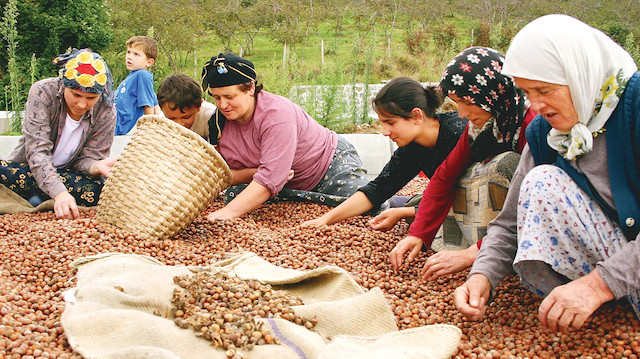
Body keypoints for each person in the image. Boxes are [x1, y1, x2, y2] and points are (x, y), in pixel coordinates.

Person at [453, 14, 640, 333]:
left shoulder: (634, 109)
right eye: (527, 93)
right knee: (541, 182)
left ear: (581, 75)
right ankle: (614, 305)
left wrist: (598, 286)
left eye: (544, 90)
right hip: (617, 267)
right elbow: (509, 222)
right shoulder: (546, 134)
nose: (535, 106)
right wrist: (482, 275)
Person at [387, 47, 537, 279]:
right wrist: (416, 233)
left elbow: (536, 204)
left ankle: (500, 253)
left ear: (492, 93)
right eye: (457, 102)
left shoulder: (532, 126)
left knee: (506, 164)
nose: (462, 113)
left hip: (528, 223)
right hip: (498, 229)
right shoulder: (481, 128)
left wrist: (473, 254)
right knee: (464, 175)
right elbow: (444, 176)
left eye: (468, 102)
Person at [200, 53, 369, 220]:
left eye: (229, 97)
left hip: (328, 167)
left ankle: (313, 199)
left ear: (250, 88)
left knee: (367, 206)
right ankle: (305, 200)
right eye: (217, 98)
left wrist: (229, 212)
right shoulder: (218, 123)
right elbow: (222, 174)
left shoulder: (276, 115)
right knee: (232, 195)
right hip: (285, 187)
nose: (223, 105)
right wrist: (255, 172)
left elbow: (270, 178)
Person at [301, 77, 467, 227]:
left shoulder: (458, 134)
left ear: (417, 115)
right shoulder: (412, 147)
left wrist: (404, 213)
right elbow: (377, 190)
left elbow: (466, 199)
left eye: (390, 123)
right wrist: (325, 220)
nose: (385, 132)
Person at [0, 48, 117, 219]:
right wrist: (59, 192)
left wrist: (96, 166)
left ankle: (37, 197)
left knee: (101, 189)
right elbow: (37, 151)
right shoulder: (42, 92)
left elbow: (87, 159)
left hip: (70, 176)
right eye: (76, 95)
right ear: (63, 85)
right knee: (5, 170)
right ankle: (47, 196)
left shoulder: (106, 111)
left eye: (91, 98)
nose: (82, 104)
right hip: (30, 170)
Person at [114, 36, 161, 135]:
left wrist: (150, 131)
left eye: (136, 54)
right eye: (128, 52)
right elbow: (155, 104)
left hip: (116, 125)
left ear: (149, 62)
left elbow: (148, 106)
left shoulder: (142, 75)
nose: (129, 57)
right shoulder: (133, 76)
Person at [157, 73, 218, 143]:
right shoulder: (160, 122)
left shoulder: (211, 117)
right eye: (171, 118)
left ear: (199, 105)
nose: (179, 124)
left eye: (186, 117)